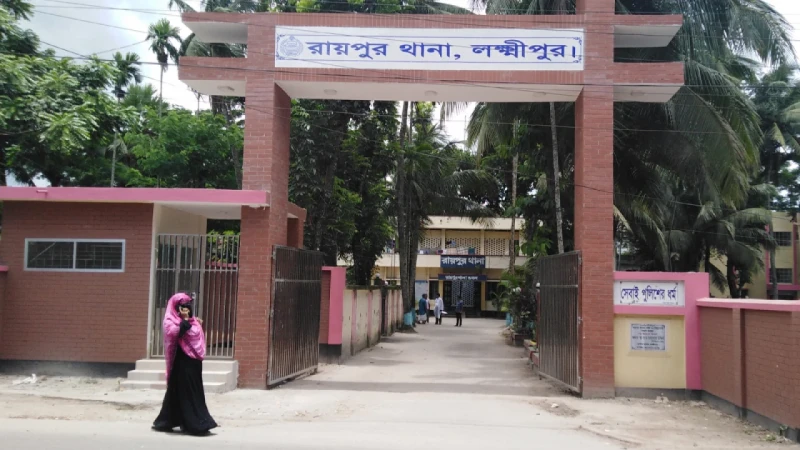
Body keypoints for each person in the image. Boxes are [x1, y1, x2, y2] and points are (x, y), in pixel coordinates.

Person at [153, 292, 218, 435]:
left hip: (194, 363)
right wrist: (184, 320)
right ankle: (196, 424)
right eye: (183, 306)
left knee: (186, 391)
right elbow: (174, 333)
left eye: (188, 305)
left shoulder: (194, 321)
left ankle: (166, 421)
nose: (187, 308)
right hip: (181, 362)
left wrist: (190, 321)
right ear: (175, 307)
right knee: (186, 391)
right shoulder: (170, 320)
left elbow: (196, 336)